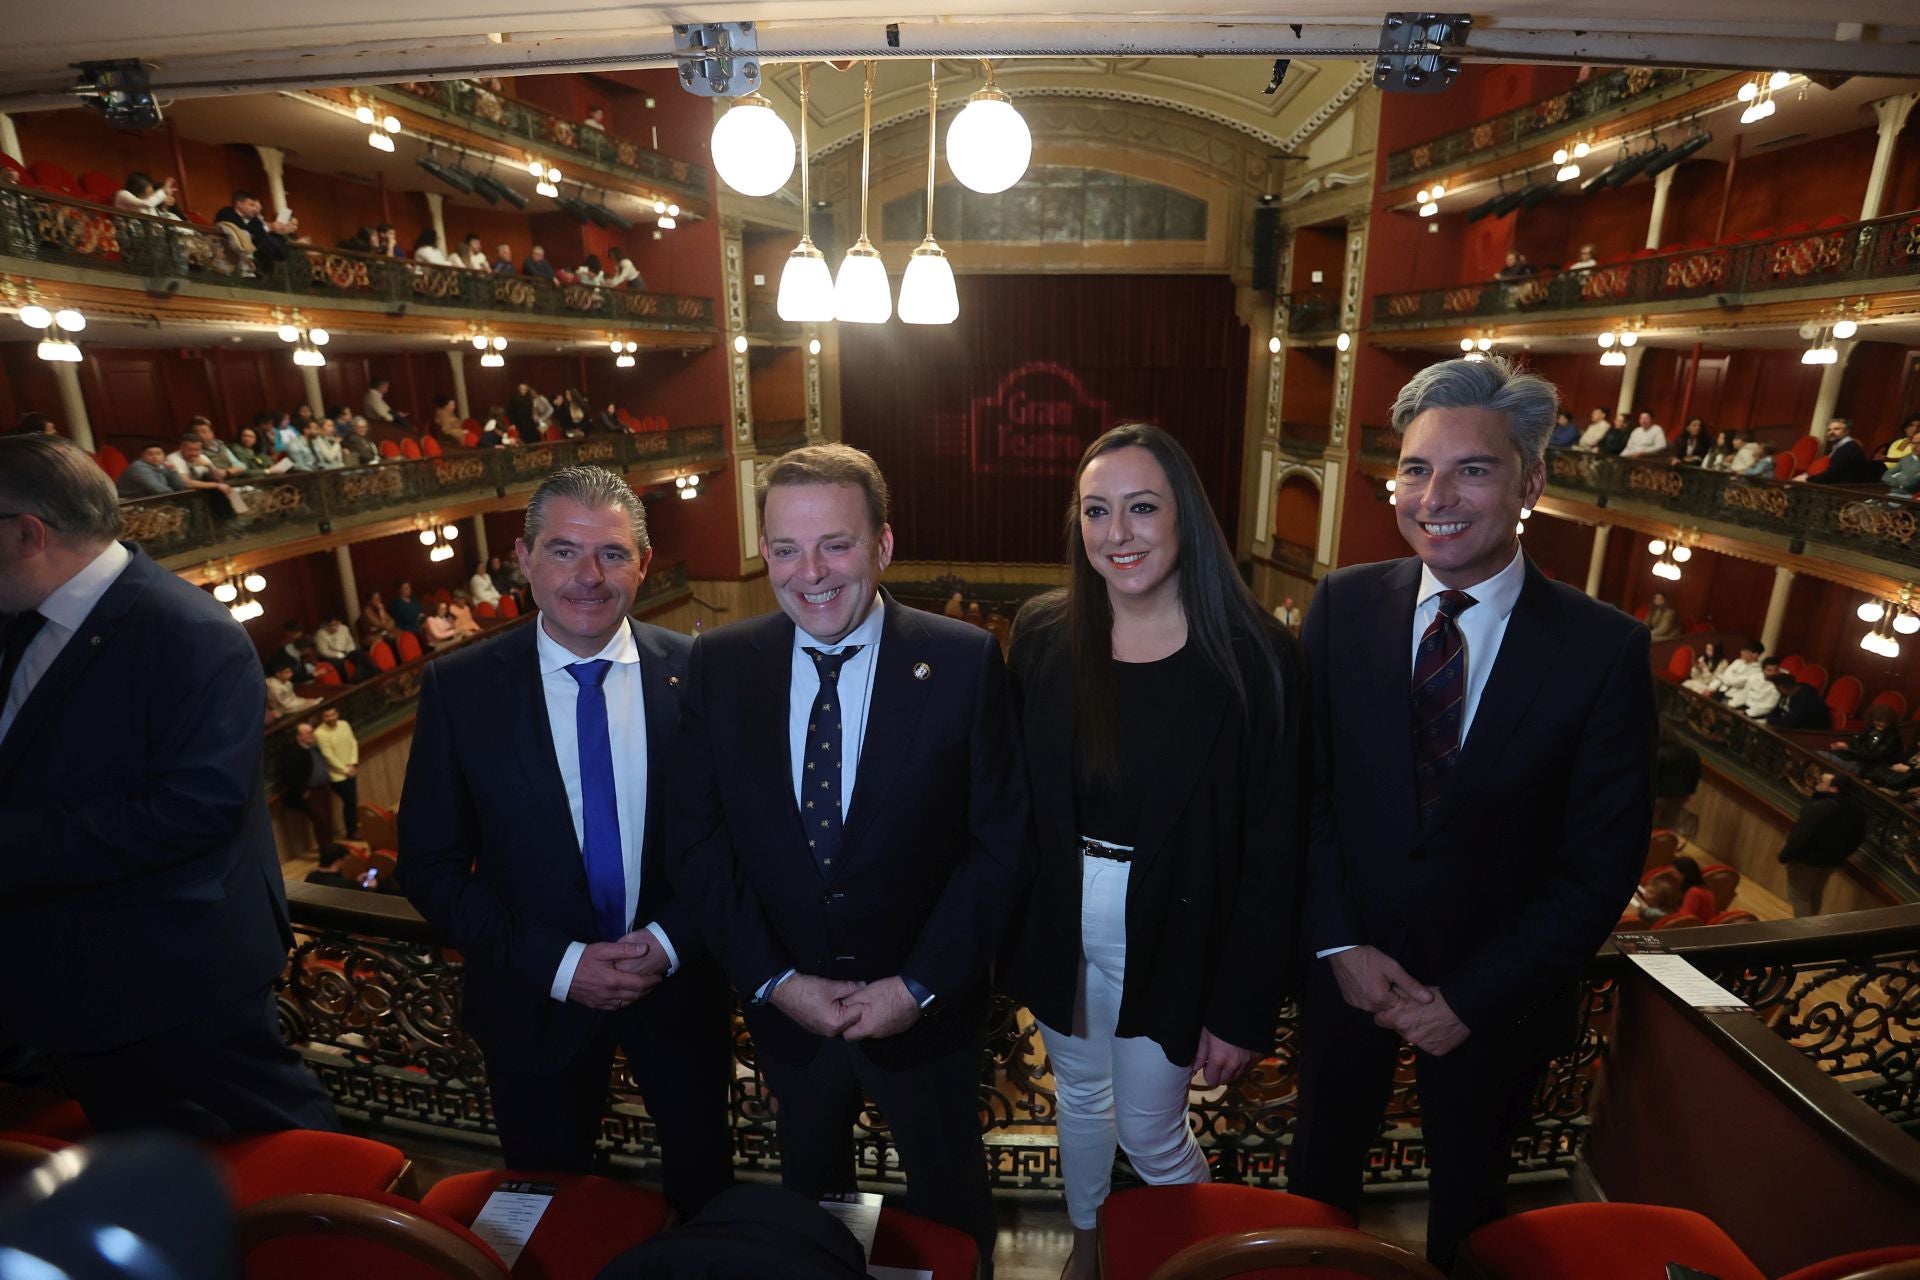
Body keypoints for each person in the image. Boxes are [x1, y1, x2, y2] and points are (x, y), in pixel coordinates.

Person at [1290, 356, 1652, 1269]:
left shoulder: (1603, 650)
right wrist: (1339, 944)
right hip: (1345, 985)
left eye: (1473, 469)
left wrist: (1469, 1000)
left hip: (1495, 1009)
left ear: (1531, 479)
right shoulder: (1342, 605)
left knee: (1474, 1227)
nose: (1435, 495)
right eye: (1415, 468)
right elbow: (1307, 793)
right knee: (1312, 1207)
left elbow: (1598, 867)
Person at [667, 443, 1034, 1270]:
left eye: (835, 543)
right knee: (805, 1223)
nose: (811, 573)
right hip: (788, 1019)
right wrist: (774, 982)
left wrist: (917, 986)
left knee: (951, 1212)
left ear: (883, 546)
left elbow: (1002, 845)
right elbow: (698, 844)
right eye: (786, 549)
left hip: (928, 1021)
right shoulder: (721, 664)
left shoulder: (966, 660)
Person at [1004, 425, 1305, 1277]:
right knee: (1082, 1096)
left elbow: (1274, 848)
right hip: (1064, 917)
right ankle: (1090, 1238)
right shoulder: (1043, 634)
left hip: (1180, 923)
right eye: (1096, 512)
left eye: (1142, 508)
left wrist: (1243, 1003)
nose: (1118, 534)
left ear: (1186, 521)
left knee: (1149, 1126)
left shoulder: (1259, 660)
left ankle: (1201, 1259)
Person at [398, 467, 735, 1214]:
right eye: (563, 552)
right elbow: (430, 866)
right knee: (545, 1207)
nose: (588, 577)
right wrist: (562, 962)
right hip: (530, 999)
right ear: (522, 559)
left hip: (680, 993)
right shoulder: (460, 689)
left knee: (704, 1192)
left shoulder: (701, 676)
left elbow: (733, 843)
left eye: (612, 554)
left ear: (644, 565)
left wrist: (671, 941)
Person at [0, 435, 338, 1133]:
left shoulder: (188, 632)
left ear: (28, 532)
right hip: (63, 975)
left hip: (173, 974)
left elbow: (193, 811)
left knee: (267, 1145)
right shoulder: (17, 623)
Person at [1777, 773, 1866, 916]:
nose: (1817, 782)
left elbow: (1801, 835)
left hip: (1806, 861)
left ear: (1834, 789)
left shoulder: (1817, 808)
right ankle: (1813, 931)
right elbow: (1857, 838)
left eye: (1823, 782)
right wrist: (1841, 856)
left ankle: (1804, 935)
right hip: (1831, 862)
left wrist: (1784, 855)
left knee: (1800, 897)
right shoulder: (1857, 811)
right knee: (1815, 895)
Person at [314, 706, 361, 841]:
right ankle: (352, 831)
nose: (330, 718)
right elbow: (328, 756)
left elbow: (353, 742)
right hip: (337, 775)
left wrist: (352, 762)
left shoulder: (344, 725)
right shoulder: (320, 733)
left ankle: (354, 829)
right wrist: (345, 769)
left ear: (337, 714)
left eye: (332, 715)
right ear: (323, 718)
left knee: (352, 801)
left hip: (350, 769)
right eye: (327, 716)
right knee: (350, 801)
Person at [214, 190, 293, 270]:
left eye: (256, 206)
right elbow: (243, 231)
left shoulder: (255, 221)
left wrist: (277, 232)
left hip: (259, 268)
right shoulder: (227, 213)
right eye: (251, 205)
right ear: (239, 204)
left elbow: (264, 241)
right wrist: (268, 228)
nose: (255, 209)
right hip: (228, 260)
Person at [1825, 703, 1901, 771]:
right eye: (1878, 720)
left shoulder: (1891, 736)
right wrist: (1845, 747)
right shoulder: (1870, 728)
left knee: (1824, 757)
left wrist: (1847, 749)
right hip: (1858, 759)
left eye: (1885, 722)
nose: (1881, 724)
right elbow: (1856, 741)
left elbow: (1873, 756)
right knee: (1823, 754)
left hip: (1870, 767)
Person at [1807, 418, 1882, 485]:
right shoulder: (1842, 446)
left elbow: (1831, 475)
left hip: (1843, 489)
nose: (1831, 432)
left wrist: (1807, 480)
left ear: (1847, 431)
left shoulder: (1849, 448)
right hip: (1836, 485)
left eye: (1837, 429)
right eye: (1829, 430)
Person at [115, 444, 188, 498]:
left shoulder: (161, 466)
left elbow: (180, 487)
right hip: (132, 502)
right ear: (142, 456)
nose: (155, 457)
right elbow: (159, 490)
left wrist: (172, 470)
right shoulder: (138, 468)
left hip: (152, 500)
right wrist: (179, 497)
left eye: (158, 453)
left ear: (164, 456)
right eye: (150, 454)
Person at [1695, 639, 1761, 698]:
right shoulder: (1738, 662)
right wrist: (1710, 689)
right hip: (1719, 689)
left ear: (1755, 654)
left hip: (1733, 696)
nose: (1741, 653)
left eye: (1745, 651)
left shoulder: (1757, 670)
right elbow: (1723, 675)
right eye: (1742, 650)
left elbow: (1738, 682)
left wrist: (1726, 678)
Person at [313, 614, 364, 680]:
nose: (333, 627)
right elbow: (323, 651)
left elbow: (350, 642)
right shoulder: (320, 634)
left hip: (346, 652)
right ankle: (347, 681)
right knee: (340, 663)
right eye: (330, 625)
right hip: (332, 656)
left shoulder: (344, 628)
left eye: (336, 624)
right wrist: (339, 655)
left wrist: (350, 651)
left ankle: (363, 676)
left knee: (360, 655)